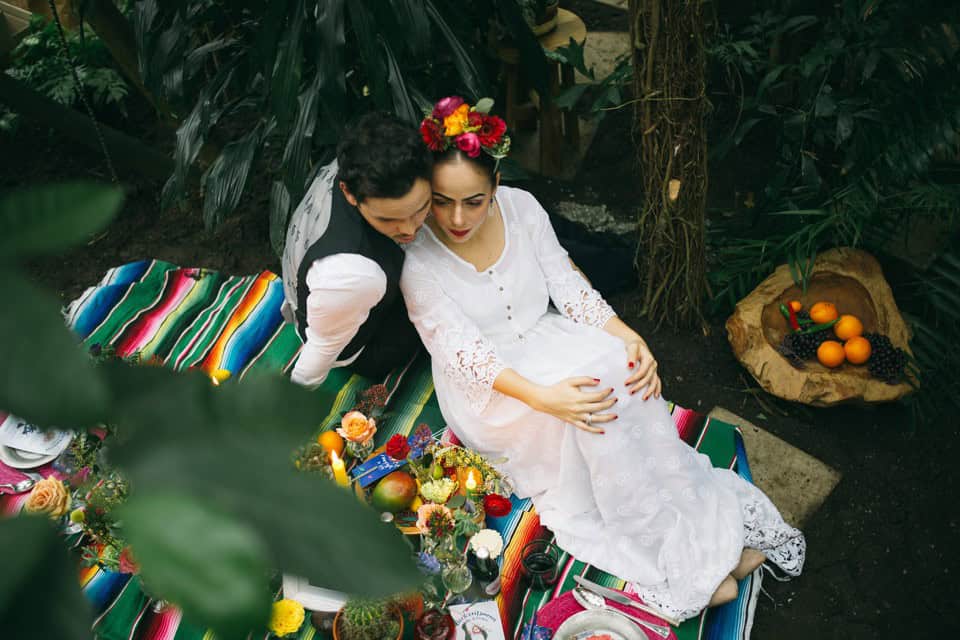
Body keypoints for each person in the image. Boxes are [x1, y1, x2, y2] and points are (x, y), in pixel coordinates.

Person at [400, 96, 805, 621]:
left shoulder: (522, 208)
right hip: (495, 390)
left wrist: (629, 336)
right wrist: (548, 400)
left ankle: (697, 546)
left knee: (618, 370)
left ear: (496, 184)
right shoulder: (418, 259)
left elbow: (567, 285)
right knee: (592, 406)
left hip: (546, 337)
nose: (457, 217)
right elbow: (464, 355)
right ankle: (687, 565)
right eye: (440, 201)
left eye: (473, 201)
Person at [281, 113, 432, 386]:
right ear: (349, 193)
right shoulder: (353, 275)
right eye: (388, 219)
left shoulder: (362, 158)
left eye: (420, 208)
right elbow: (321, 351)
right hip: (365, 344)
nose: (410, 230)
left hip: (317, 295)